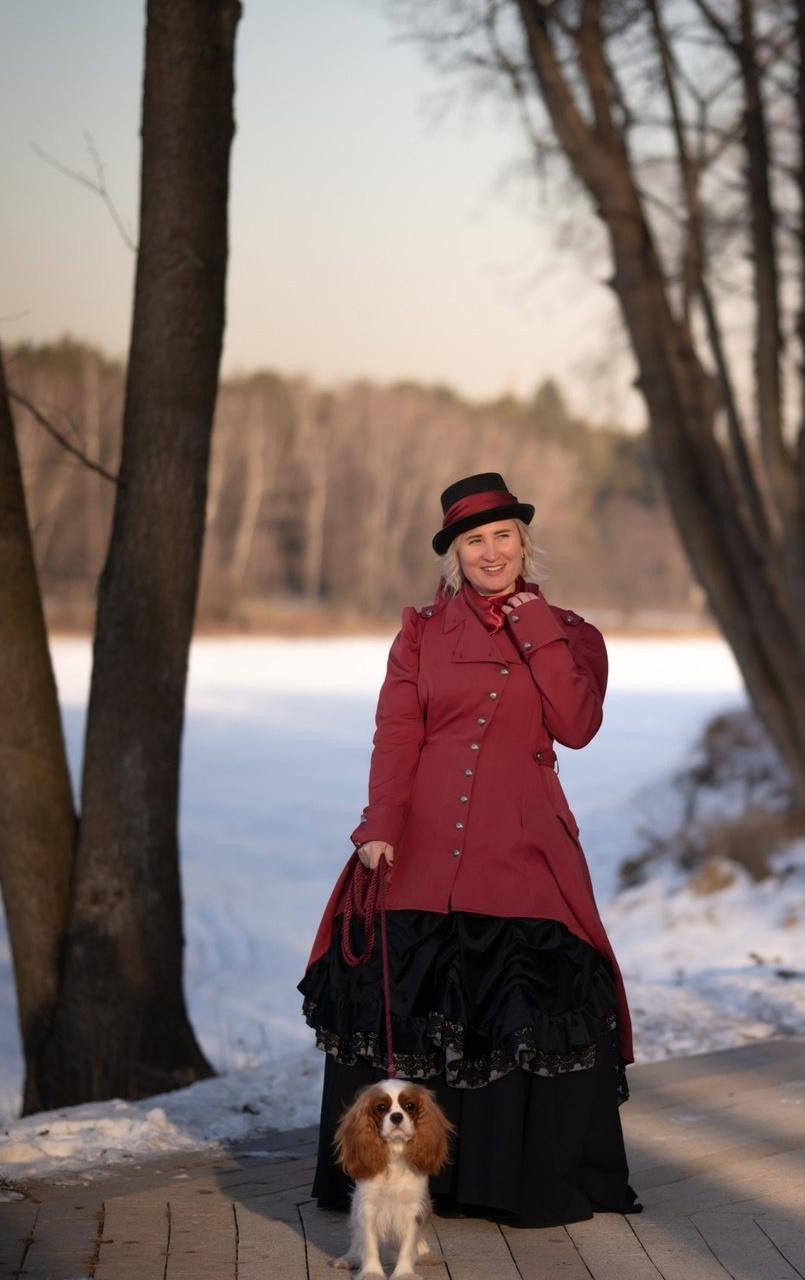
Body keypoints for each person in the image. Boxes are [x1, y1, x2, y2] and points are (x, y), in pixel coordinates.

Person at [299, 471, 640, 1227]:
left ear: (525, 541)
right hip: (421, 846)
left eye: (503, 536)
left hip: (524, 851)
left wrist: (536, 628)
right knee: (414, 1006)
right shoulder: (421, 631)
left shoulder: (573, 632)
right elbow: (398, 731)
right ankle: (415, 1177)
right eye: (474, 540)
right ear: (454, 553)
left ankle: (510, 1183)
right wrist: (378, 824)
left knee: (527, 1005)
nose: (491, 552)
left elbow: (578, 724)